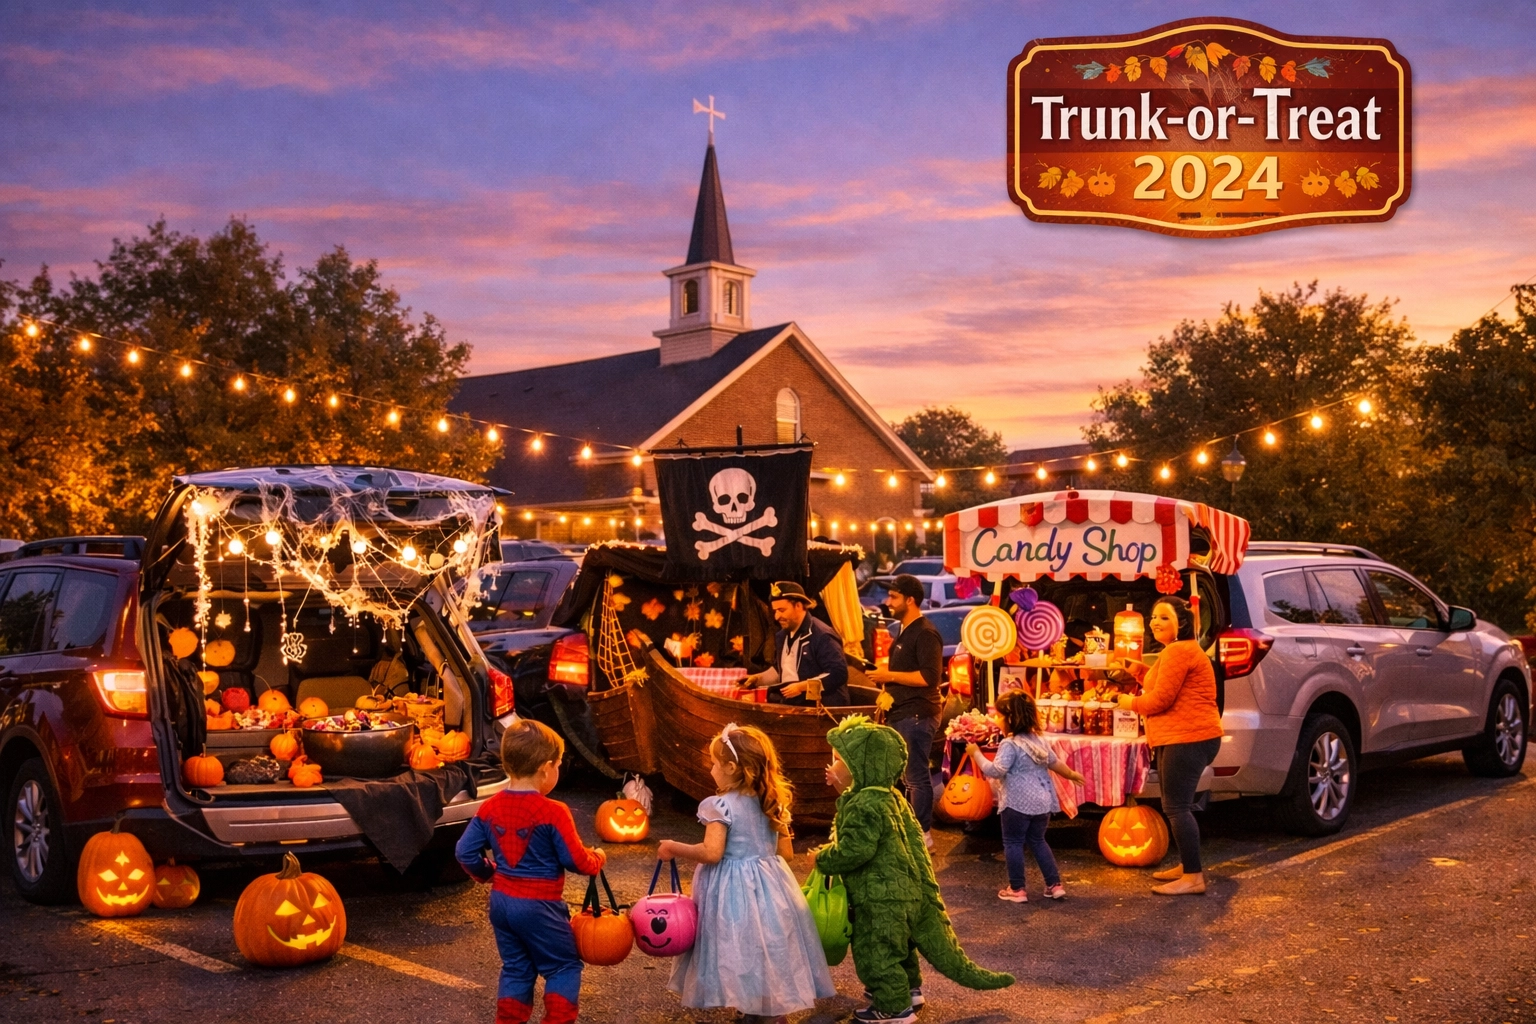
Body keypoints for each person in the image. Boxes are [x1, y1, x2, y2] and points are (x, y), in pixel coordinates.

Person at [813, 716, 1014, 1024]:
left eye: (840, 761)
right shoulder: (891, 796)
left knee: (876, 950)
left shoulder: (863, 803)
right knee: (901, 944)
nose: (832, 767)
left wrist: (824, 858)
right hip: (907, 892)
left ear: (862, 766)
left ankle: (893, 1007)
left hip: (880, 897)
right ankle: (908, 989)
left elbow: (856, 850)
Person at [659, 723, 835, 1024]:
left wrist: (674, 847)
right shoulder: (772, 802)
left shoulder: (720, 806)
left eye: (714, 763)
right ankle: (766, 1011)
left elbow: (712, 853)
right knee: (767, 947)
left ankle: (751, 1010)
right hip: (772, 885)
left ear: (731, 767)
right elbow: (786, 853)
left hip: (732, 889)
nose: (711, 769)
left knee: (736, 945)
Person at [455, 719, 606, 1024]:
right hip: (540, 906)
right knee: (563, 966)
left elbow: (464, 851)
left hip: (501, 904)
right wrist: (597, 858)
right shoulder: (553, 812)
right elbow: (576, 860)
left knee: (516, 968)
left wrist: (488, 873)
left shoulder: (490, 807)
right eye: (559, 765)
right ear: (546, 767)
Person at [1113, 596, 1223, 896]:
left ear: (1182, 623)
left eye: (1163, 617)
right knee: (1178, 806)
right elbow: (1159, 683)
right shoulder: (1175, 652)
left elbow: (1160, 699)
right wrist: (1135, 670)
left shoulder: (1179, 651)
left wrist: (1127, 702)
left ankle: (1193, 877)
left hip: (1188, 737)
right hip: (1182, 736)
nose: (1154, 622)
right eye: (1153, 617)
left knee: (1176, 808)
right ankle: (1189, 866)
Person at [967, 690, 1085, 902]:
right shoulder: (1038, 740)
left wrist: (976, 754)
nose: (996, 719)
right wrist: (1070, 774)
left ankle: (1017, 889)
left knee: (1012, 842)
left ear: (1010, 718)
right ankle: (1054, 885)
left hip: (1016, 804)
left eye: (998, 715)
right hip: (1042, 802)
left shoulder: (1009, 745)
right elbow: (1054, 762)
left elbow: (996, 771)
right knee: (1038, 841)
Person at [867, 574, 944, 846]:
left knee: (916, 776)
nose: (888, 602)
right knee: (906, 776)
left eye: (894, 597)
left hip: (917, 715)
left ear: (910, 600)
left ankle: (923, 834)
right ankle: (910, 829)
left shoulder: (925, 633)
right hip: (902, 713)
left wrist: (889, 676)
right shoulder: (904, 630)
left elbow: (929, 677)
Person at [743, 581, 849, 706]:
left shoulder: (822, 635)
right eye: (775, 611)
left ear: (798, 606)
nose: (777, 616)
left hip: (821, 707)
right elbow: (780, 670)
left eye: (782, 610)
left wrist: (801, 687)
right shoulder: (782, 636)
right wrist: (757, 679)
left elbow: (838, 674)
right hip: (792, 704)